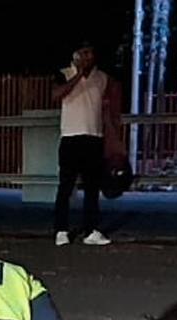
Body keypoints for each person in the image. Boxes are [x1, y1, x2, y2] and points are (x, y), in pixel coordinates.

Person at [51, 41, 123, 248]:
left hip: (94, 136)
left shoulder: (102, 78)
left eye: (90, 53)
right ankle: (61, 230)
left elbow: (109, 104)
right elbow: (56, 95)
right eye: (83, 53)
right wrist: (78, 76)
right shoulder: (63, 73)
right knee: (66, 186)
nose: (87, 57)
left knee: (92, 187)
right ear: (75, 55)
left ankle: (91, 229)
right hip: (71, 137)